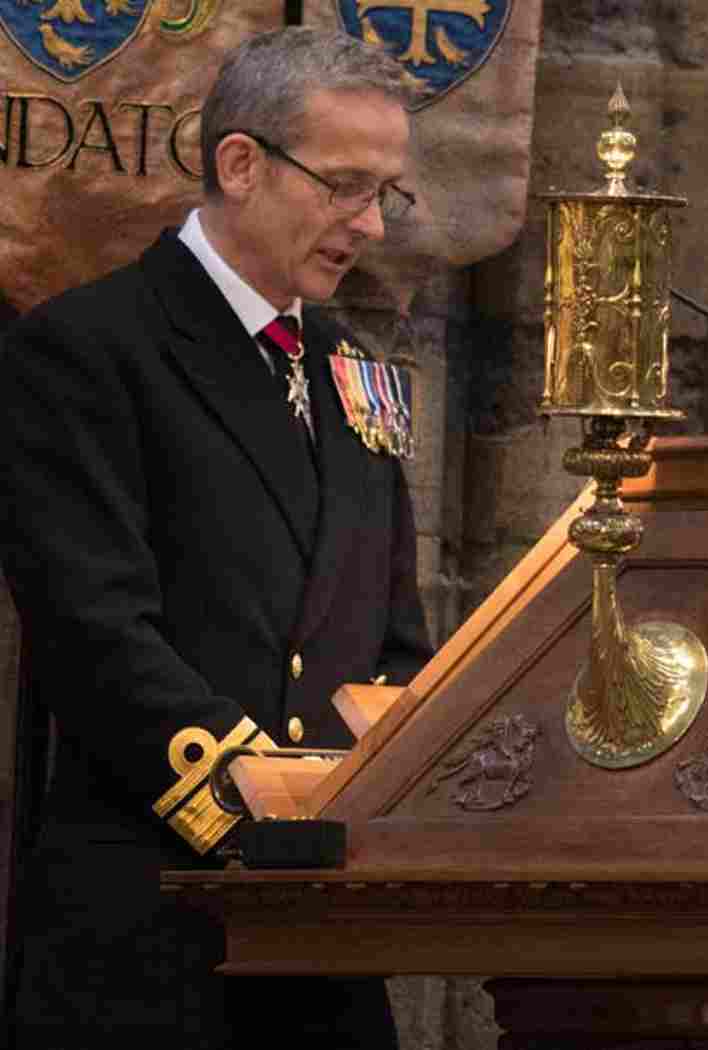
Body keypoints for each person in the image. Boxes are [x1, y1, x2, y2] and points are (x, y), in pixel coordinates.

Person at [0, 27, 432, 1048]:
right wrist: (261, 805)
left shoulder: (348, 369)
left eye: (385, 194)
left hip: (320, 934)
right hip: (152, 921)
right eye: (343, 186)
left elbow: (392, 640)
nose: (368, 223)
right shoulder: (87, 349)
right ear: (240, 164)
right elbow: (95, 635)